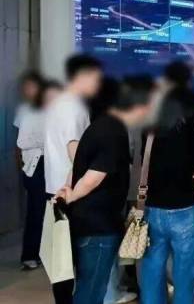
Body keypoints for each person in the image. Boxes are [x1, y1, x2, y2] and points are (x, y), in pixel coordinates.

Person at [56, 76, 155, 304]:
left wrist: (70, 190)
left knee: (89, 287)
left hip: (90, 222)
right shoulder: (113, 131)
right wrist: (72, 195)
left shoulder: (101, 126)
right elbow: (95, 175)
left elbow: (80, 166)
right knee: (91, 291)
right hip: (98, 227)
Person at [140, 86, 194, 304]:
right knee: (185, 273)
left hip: (153, 210)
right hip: (186, 211)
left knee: (152, 269)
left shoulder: (148, 134)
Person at [44, 54, 103, 304]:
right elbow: (76, 152)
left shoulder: (58, 103)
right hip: (70, 192)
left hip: (56, 189)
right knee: (73, 263)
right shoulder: (74, 108)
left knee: (62, 263)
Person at [17, 79, 61, 270]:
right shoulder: (30, 113)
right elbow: (22, 142)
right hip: (37, 167)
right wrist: (47, 140)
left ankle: (45, 253)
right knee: (36, 211)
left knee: (51, 212)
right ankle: (30, 255)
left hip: (50, 164)